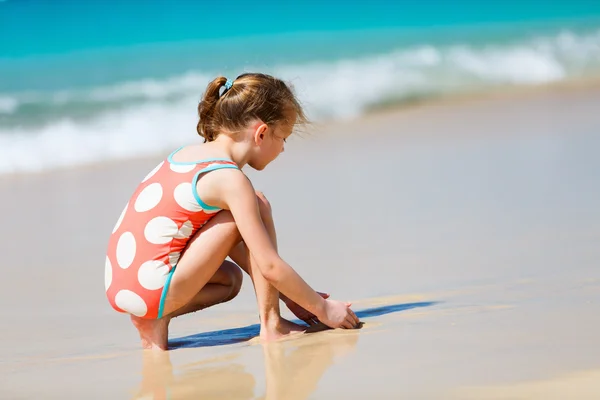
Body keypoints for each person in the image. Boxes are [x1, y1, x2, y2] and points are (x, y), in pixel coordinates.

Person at [104, 72, 360, 350]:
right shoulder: (231, 181)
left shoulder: (185, 155)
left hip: (123, 285)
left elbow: (226, 240)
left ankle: (154, 319)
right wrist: (323, 308)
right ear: (261, 133)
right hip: (153, 289)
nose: (283, 149)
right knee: (257, 206)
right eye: (283, 138)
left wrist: (294, 296)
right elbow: (269, 266)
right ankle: (271, 325)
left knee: (230, 280)